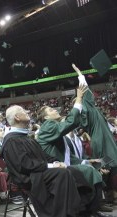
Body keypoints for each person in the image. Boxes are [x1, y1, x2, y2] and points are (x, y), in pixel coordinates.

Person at [1, 105, 85, 217]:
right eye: (23, 111)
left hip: (38, 171)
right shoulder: (11, 140)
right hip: (29, 177)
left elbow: (42, 155)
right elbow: (24, 165)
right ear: (17, 117)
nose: (27, 111)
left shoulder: (24, 137)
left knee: (74, 171)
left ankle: (82, 211)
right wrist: (51, 166)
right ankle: (62, 214)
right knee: (61, 174)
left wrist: (56, 162)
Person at [36, 85, 106, 216]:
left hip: (65, 165)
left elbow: (69, 156)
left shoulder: (56, 130)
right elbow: (70, 122)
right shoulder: (47, 126)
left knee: (94, 168)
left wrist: (88, 161)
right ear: (45, 118)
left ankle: (91, 210)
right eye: (51, 110)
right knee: (90, 171)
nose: (55, 110)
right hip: (55, 169)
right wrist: (79, 99)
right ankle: (89, 210)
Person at [72, 64, 117, 206]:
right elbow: (84, 88)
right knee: (105, 166)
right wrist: (80, 75)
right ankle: (102, 198)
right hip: (102, 140)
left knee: (107, 167)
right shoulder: (88, 108)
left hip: (101, 138)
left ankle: (108, 196)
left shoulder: (85, 111)